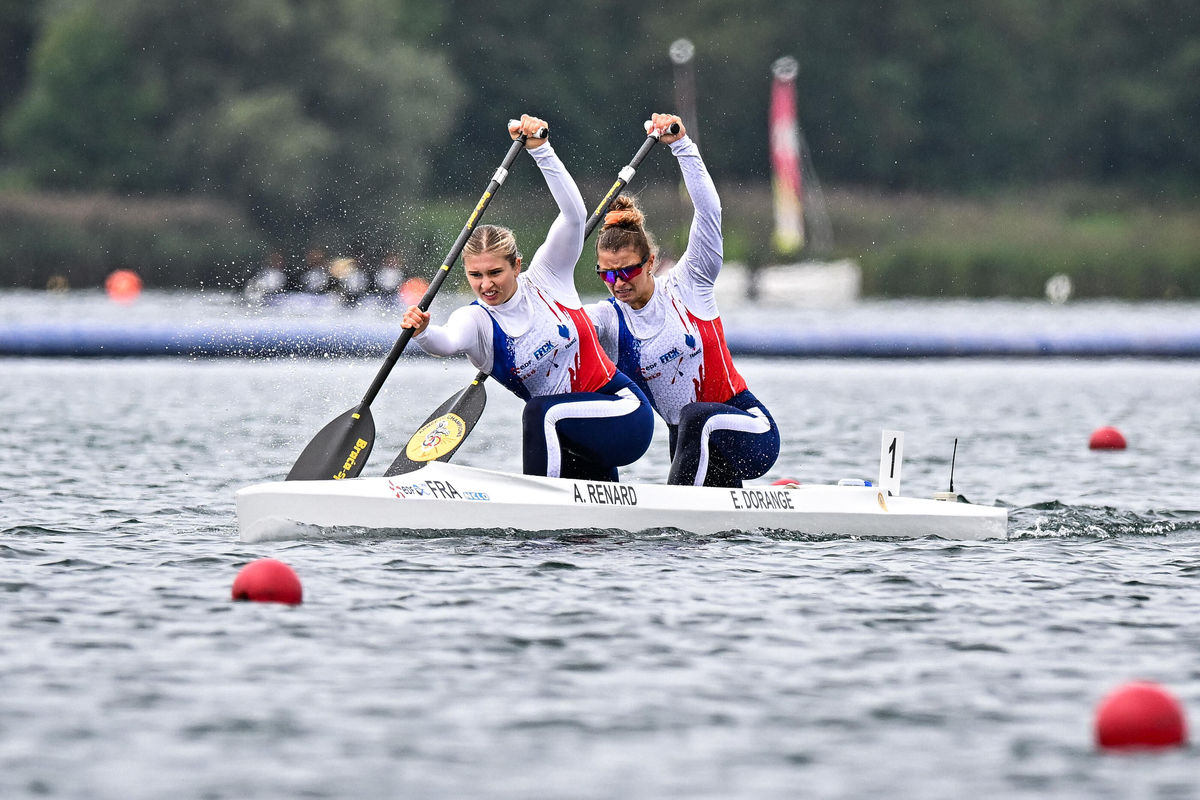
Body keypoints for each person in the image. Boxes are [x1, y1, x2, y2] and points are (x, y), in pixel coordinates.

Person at [401, 114, 654, 481]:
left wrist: (541, 149)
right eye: (475, 275)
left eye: (495, 273)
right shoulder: (476, 321)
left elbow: (574, 215)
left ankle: (534, 515)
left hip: (624, 413)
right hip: (573, 441)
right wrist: (422, 330)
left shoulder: (548, 277)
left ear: (516, 265)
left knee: (539, 412)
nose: (486, 284)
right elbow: (445, 341)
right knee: (588, 538)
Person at [584, 113, 780, 488]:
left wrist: (681, 146)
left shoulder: (690, 283)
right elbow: (559, 324)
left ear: (651, 262)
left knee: (695, 417)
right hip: (692, 444)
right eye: (606, 274)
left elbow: (709, 213)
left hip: (749, 429)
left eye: (626, 270)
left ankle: (672, 517)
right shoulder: (607, 319)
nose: (617, 282)